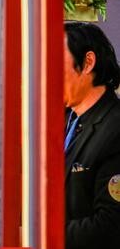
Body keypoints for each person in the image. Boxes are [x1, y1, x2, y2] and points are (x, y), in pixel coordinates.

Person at [63, 22, 120, 248]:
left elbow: (109, 226)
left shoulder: (114, 128)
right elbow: (14, 158)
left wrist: (40, 234)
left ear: (88, 63)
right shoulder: (64, 118)